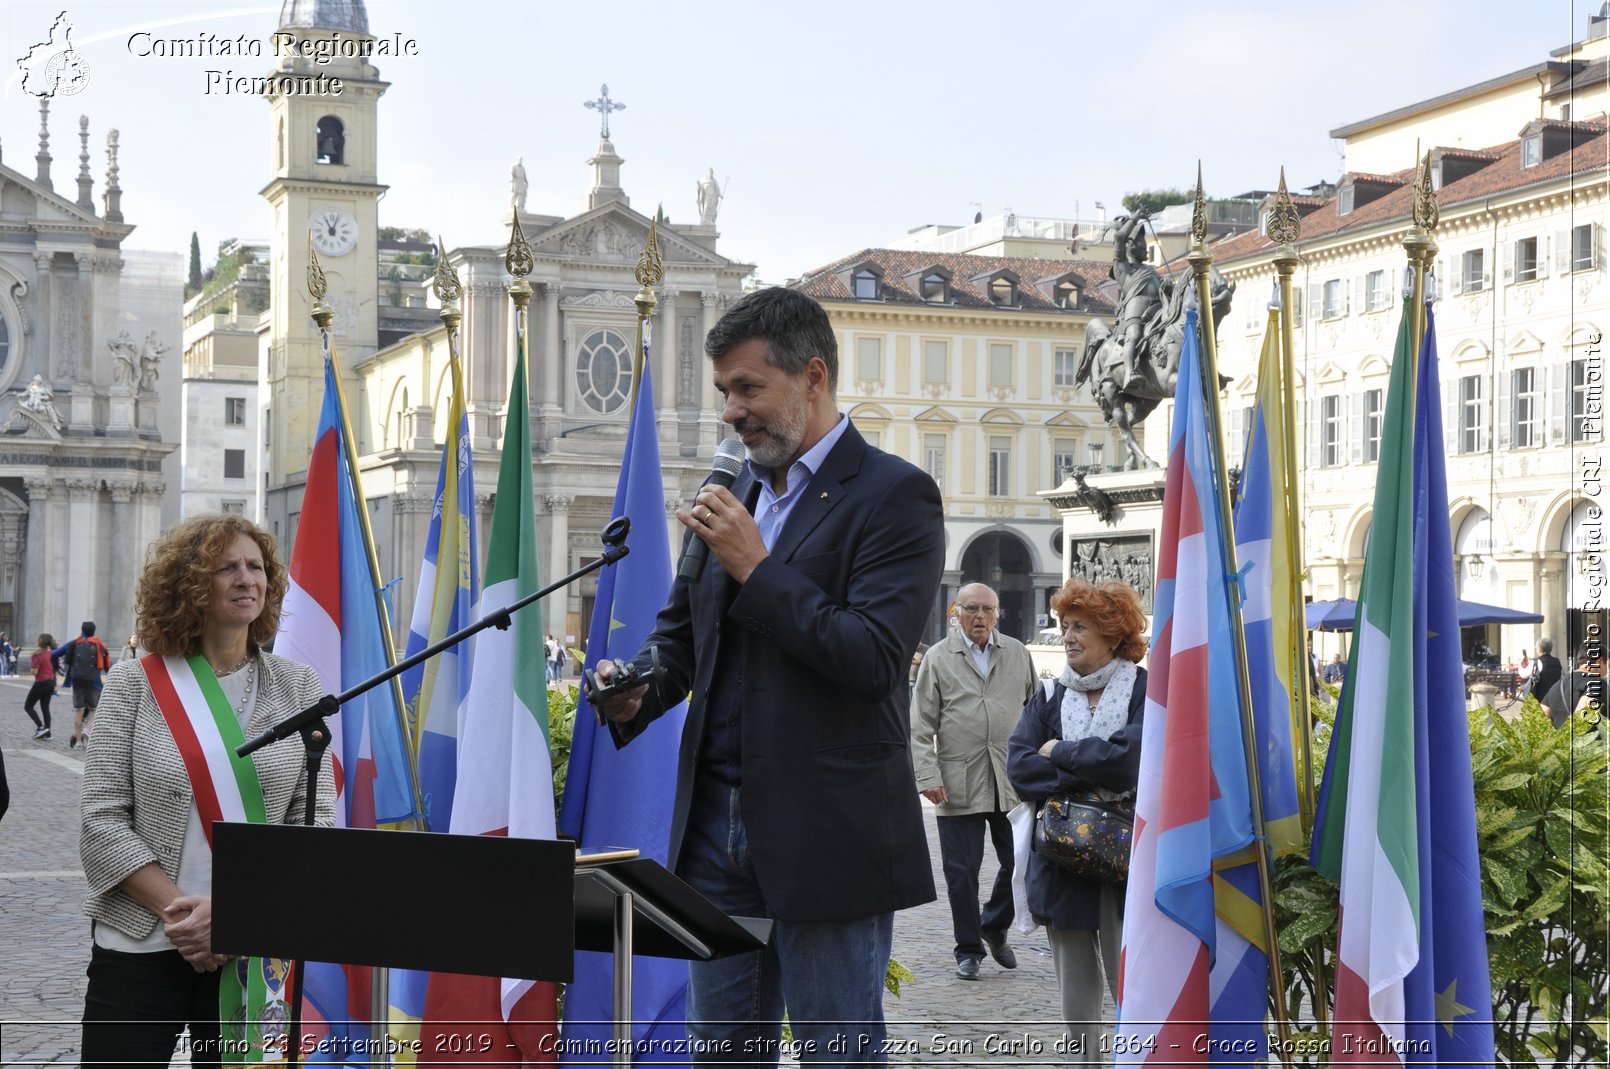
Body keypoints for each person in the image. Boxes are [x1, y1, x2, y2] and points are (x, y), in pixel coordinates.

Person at [592, 287, 945, 1064]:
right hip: (716, 832)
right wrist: (638, 689)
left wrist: (757, 565)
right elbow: (680, 638)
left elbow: (873, 657)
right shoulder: (733, 491)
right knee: (722, 1053)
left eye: (748, 388)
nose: (731, 411)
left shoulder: (895, 495)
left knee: (835, 1053)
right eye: (724, 391)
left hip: (828, 831)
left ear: (812, 377)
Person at [79, 513, 335, 1066]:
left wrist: (236, 918)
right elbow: (101, 823)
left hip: (254, 948)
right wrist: (192, 919)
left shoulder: (299, 686)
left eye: (256, 566)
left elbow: (314, 827)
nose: (248, 579)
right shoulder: (134, 683)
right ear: (190, 584)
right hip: (140, 939)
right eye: (227, 568)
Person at [1007, 578, 1148, 1065]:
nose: (1066, 635)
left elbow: (1131, 761)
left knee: (1134, 986)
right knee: (1076, 1002)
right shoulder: (1048, 696)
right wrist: (1092, 767)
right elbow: (1021, 768)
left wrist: (1061, 753)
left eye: (1080, 627)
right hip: (1062, 862)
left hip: (1126, 865)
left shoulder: (1144, 691)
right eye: (1064, 626)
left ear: (1112, 634)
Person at [910, 582, 1037, 980]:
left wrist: (1039, 766)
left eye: (987, 609)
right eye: (971, 609)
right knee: (961, 871)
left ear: (996, 613)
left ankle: (994, 925)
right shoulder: (938, 657)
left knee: (1023, 861)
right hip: (956, 779)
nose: (979, 617)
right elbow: (918, 727)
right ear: (956, 613)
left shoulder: (1016, 652)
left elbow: (1036, 714)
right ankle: (968, 949)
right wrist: (927, 775)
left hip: (1010, 778)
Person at [55, 621, 111, 749]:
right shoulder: (99, 644)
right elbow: (107, 664)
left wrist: (56, 668)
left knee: (78, 711)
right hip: (94, 681)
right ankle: (88, 730)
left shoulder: (75, 643)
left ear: (82, 630)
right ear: (94, 631)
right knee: (93, 709)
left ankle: (79, 742)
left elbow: (56, 655)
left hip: (77, 681)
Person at [1543, 638, 1606, 728]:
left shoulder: (1559, 683)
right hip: (1586, 741)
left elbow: (1543, 714)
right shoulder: (1597, 683)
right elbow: (1581, 719)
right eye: (1607, 665)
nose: (1606, 671)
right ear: (1599, 661)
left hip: (1560, 740)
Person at [25, 632, 58, 740]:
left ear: (40, 642)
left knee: (28, 706)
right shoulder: (53, 654)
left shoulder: (37, 655)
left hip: (41, 683)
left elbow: (34, 671)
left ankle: (40, 727)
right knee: (45, 708)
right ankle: (48, 732)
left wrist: (32, 669)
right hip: (51, 682)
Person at [1529, 637, 1562, 703]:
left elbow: (1524, 674)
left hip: (1541, 697)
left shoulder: (1537, 662)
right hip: (1555, 696)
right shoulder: (1557, 661)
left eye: (1536, 647)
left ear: (1540, 649)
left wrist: (1520, 665)